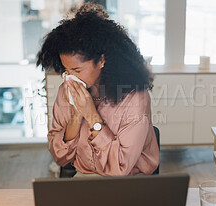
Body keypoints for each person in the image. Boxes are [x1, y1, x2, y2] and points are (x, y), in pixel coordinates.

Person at [36, 3, 160, 177]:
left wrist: (91, 115)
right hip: (86, 177)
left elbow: (120, 168)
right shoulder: (67, 91)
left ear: (101, 61)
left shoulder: (134, 97)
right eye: (66, 69)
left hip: (132, 180)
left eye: (77, 70)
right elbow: (60, 158)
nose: (69, 77)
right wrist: (76, 116)